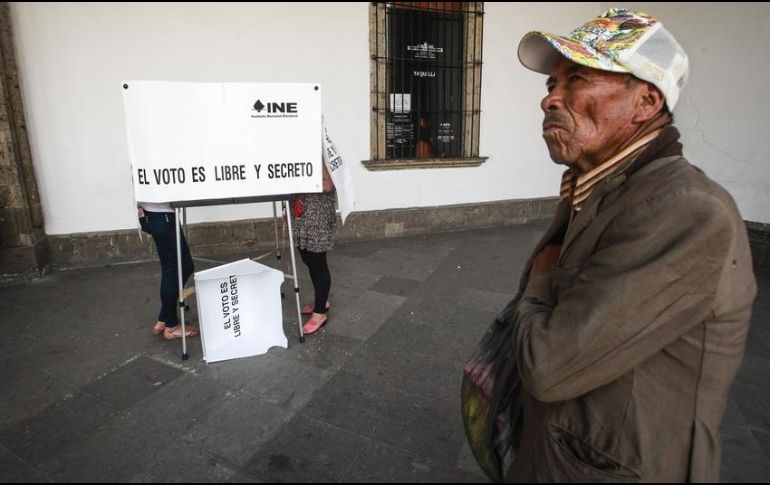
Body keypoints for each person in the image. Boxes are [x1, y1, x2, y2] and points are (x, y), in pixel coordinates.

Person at [466, 8, 757, 483]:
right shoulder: (599, 185)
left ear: (646, 101)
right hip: (565, 452)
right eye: (550, 85)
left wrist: (541, 280)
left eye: (576, 79)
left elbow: (549, 367)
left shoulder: (685, 210)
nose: (550, 100)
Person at [138, 202, 199, 340]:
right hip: (161, 215)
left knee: (175, 268)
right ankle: (171, 326)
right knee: (176, 269)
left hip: (152, 214)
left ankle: (164, 319)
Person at [292, 160, 336, 335]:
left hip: (317, 214)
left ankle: (320, 314)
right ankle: (321, 299)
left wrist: (299, 180)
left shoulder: (318, 151)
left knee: (317, 262)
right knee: (306, 257)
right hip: (302, 213)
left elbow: (327, 185)